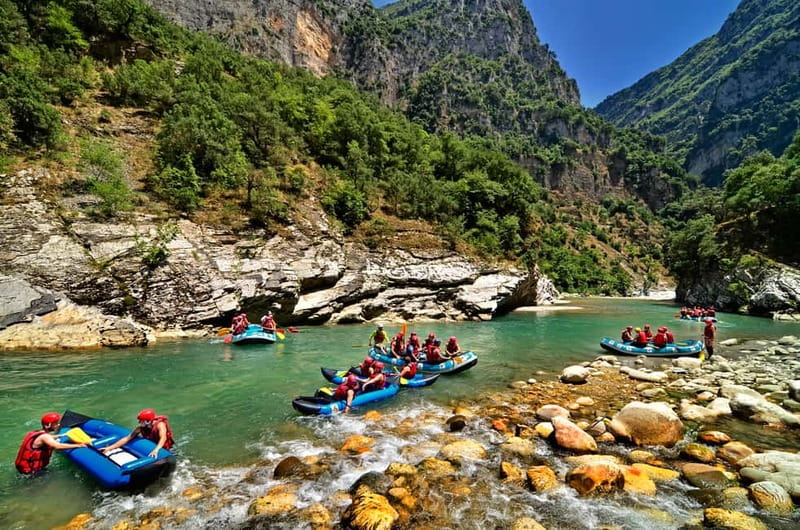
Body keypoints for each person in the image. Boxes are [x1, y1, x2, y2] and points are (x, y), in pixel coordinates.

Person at [15, 412, 87, 474]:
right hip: (33, 471)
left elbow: (46, 438)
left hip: (26, 467)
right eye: (55, 423)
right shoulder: (45, 437)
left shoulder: (38, 432)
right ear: (48, 425)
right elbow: (57, 446)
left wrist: (60, 435)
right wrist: (79, 445)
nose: (58, 425)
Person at [102, 409, 174, 458]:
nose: (139, 422)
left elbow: (163, 437)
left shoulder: (160, 425)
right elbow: (127, 438)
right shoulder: (140, 428)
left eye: (141, 421)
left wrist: (156, 449)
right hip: (152, 444)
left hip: (164, 448)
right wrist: (109, 448)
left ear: (147, 421)